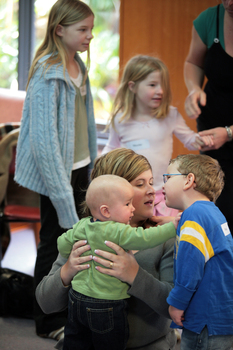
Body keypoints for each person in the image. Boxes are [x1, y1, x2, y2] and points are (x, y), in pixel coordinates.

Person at [36, 148, 179, 350]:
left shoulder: (164, 238)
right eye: (139, 184)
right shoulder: (85, 233)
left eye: (150, 181)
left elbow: (172, 306)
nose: (151, 190)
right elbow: (45, 304)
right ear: (108, 198)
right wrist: (67, 270)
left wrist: (134, 275)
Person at [14, 0, 97, 340]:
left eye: (91, 30)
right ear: (59, 30)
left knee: (75, 240)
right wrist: (63, 194)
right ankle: (47, 320)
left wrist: (92, 167)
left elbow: (85, 124)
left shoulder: (78, 65)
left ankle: (70, 311)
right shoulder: (49, 72)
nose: (89, 36)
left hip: (78, 168)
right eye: (82, 30)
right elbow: (45, 144)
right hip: (55, 173)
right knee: (55, 242)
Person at [102, 55, 212, 217]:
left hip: (162, 191)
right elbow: (111, 146)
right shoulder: (120, 119)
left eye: (162, 85)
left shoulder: (170, 115)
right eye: (153, 85)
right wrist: (100, 163)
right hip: (133, 193)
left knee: (165, 234)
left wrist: (201, 140)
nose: (160, 91)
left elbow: (189, 139)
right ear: (132, 87)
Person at [163, 154, 233, 350]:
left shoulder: (194, 214)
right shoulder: (211, 212)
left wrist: (176, 303)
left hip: (204, 321)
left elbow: (190, 267)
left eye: (168, 177)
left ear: (189, 180)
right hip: (220, 318)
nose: (163, 185)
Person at [184, 1, 233, 235]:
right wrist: (194, 89)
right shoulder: (209, 20)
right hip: (213, 135)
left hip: (227, 133)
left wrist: (230, 132)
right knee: (220, 212)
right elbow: (193, 62)